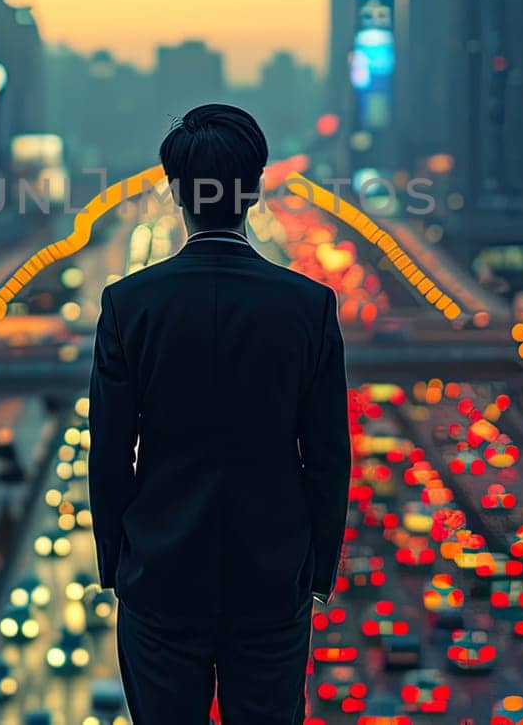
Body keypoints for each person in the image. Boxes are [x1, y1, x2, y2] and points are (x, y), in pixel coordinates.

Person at [89, 103, 352, 724]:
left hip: (160, 576)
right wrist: (315, 571)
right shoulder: (307, 307)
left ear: (176, 191)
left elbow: (109, 450)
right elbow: (327, 456)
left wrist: (118, 564)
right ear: (256, 190)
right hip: (271, 578)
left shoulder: (130, 305)